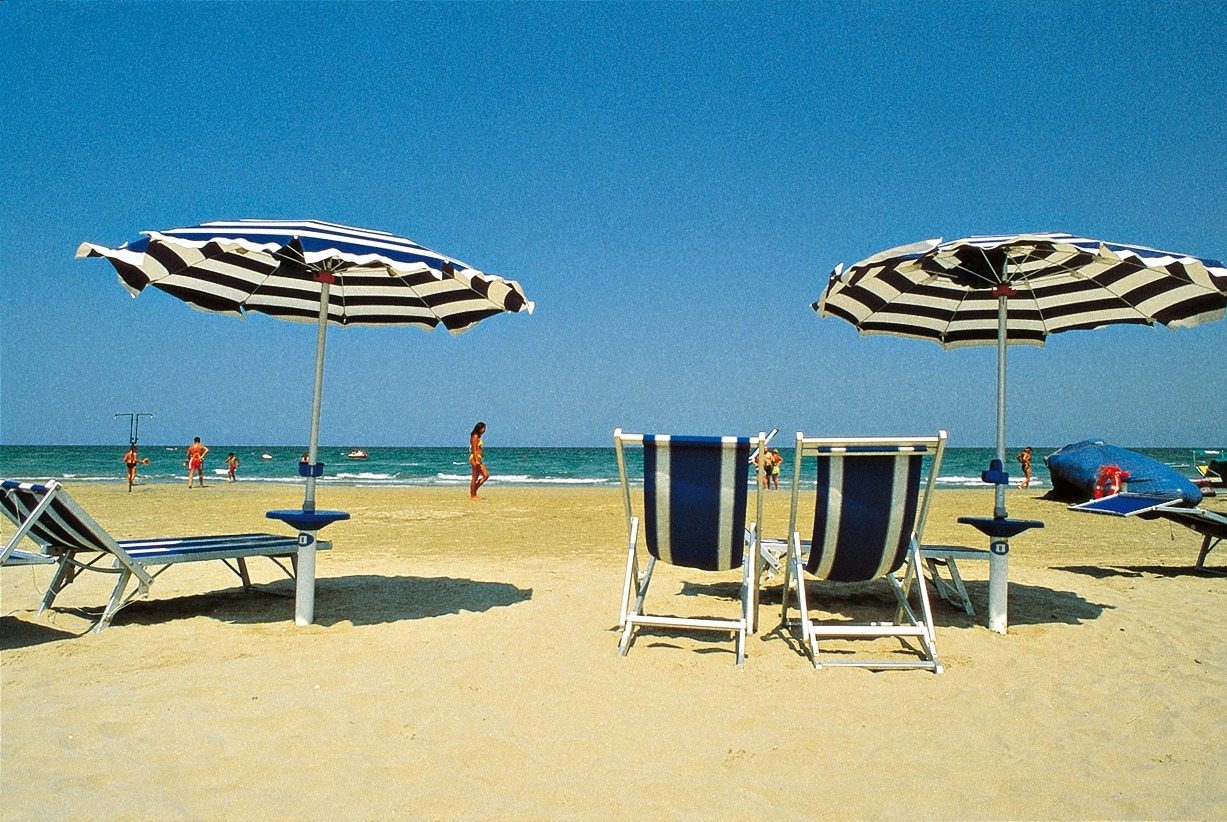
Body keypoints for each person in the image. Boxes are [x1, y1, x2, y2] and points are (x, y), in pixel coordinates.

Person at [469, 422, 489, 499]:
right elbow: (474, 449)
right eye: (484, 428)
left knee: (484, 476)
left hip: (478, 457)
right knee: (477, 477)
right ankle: (473, 494)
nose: (484, 430)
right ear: (480, 428)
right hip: (475, 458)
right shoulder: (475, 436)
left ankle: (473, 492)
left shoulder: (477, 437)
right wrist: (476, 459)